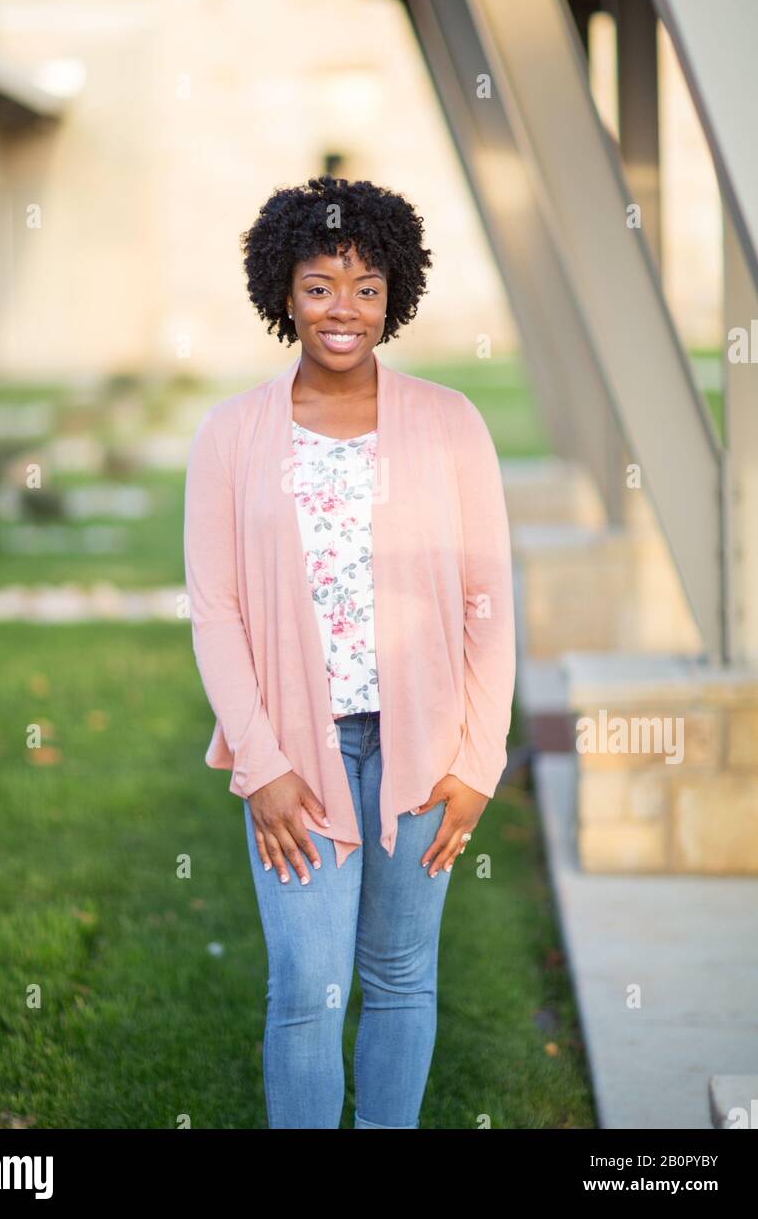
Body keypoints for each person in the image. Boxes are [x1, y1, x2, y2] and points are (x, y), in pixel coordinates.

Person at [183, 174, 516, 1128]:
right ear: (283, 292)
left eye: (367, 287)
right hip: (294, 754)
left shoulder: (451, 423)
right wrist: (263, 765)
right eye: (321, 284)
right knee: (306, 988)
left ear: (395, 297)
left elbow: (485, 602)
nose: (344, 309)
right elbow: (216, 612)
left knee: (403, 976)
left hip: (426, 752)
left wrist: (479, 760)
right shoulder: (230, 434)